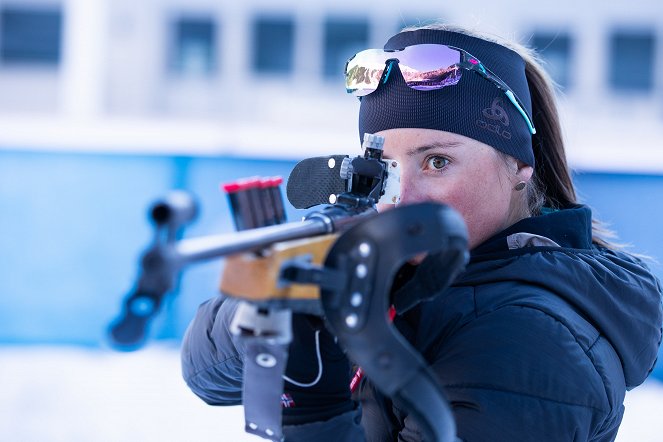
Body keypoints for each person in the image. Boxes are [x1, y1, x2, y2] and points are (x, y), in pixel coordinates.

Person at [180, 24, 663, 441]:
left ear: (519, 165)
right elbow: (206, 376)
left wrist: (312, 409)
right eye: (383, 166)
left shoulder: (526, 338)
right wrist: (269, 310)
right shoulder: (415, 276)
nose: (400, 196)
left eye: (437, 162)